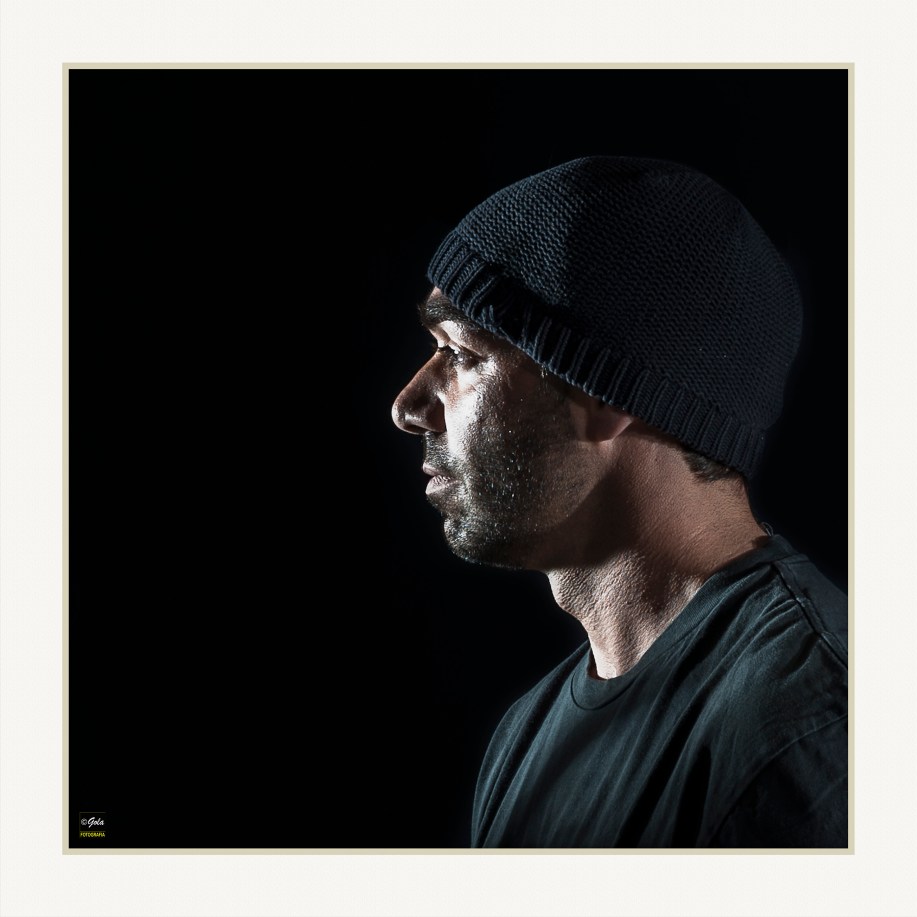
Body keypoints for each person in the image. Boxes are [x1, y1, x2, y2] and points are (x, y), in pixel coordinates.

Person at [391, 156, 847, 848]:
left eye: (461, 354)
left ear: (604, 393)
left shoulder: (810, 735)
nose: (408, 406)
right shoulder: (526, 735)